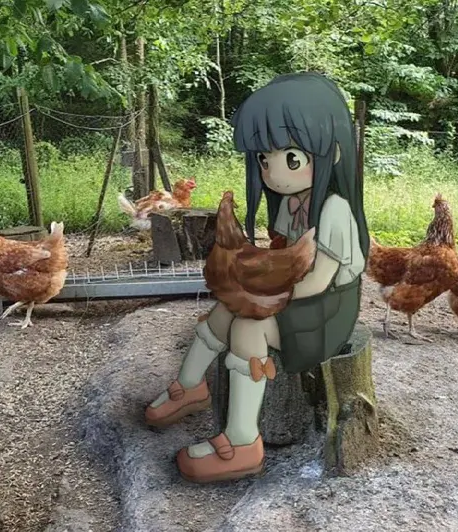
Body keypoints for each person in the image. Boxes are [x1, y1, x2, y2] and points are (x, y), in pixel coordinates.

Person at [145, 72, 369, 483]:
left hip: (328, 307)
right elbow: (284, 253)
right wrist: (251, 285)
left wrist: (261, 295)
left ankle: (243, 441)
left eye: (291, 159)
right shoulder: (292, 202)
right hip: (298, 293)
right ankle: (190, 386)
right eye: (265, 160)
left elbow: (318, 281)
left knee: (249, 326)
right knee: (224, 312)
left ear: (332, 151)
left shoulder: (334, 209)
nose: (274, 173)